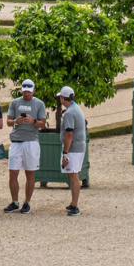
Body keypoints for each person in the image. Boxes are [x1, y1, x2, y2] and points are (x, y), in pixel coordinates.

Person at [4, 79, 46, 214]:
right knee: (13, 172)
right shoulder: (15, 102)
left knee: (30, 173)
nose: (26, 93)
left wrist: (33, 121)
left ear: (33, 90)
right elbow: (8, 122)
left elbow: (43, 124)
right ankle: (15, 202)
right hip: (16, 141)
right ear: (21, 90)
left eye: (29, 91)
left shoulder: (39, 104)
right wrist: (15, 121)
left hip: (31, 141)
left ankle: (27, 202)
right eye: (24, 91)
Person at [57, 86, 86, 217]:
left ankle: (75, 206)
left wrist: (65, 153)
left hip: (73, 149)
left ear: (63, 98)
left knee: (74, 176)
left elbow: (69, 134)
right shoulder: (75, 108)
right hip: (76, 147)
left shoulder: (69, 113)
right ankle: (73, 203)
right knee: (72, 175)